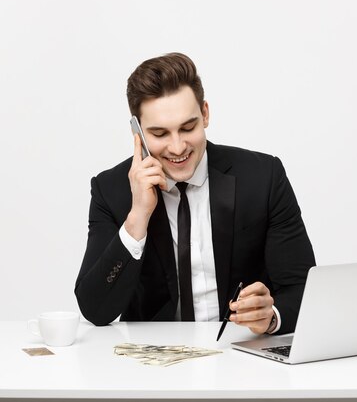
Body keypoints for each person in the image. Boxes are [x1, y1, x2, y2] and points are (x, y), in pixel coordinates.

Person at [75, 53, 315, 335]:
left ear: (205, 114)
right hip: (153, 364)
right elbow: (95, 310)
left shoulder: (263, 177)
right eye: (160, 134)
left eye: (188, 128)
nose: (177, 148)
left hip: (241, 357)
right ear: (137, 131)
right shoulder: (111, 190)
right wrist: (138, 215)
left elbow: (305, 289)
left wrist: (271, 316)